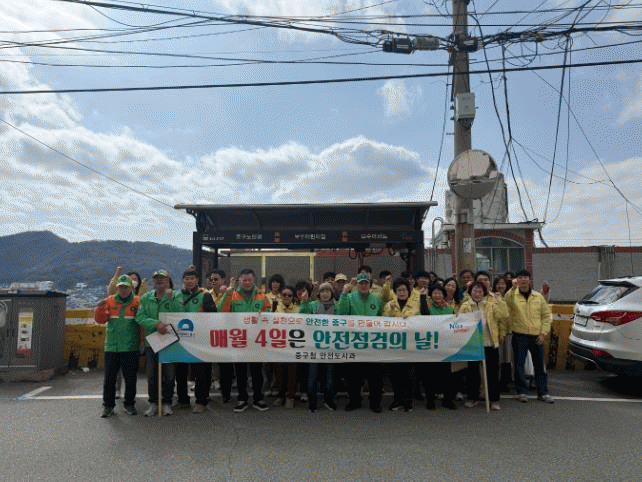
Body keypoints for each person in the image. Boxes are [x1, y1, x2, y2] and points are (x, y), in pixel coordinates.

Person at [95, 275, 166, 418]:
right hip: (112, 346)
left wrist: (142, 342)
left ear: (131, 288)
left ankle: (129, 404)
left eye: (126, 287)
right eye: (121, 287)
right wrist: (100, 308)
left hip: (130, 346)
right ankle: (108, 406)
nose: (123, 290)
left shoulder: (138, 301)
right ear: (117, 288)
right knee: (109, 379)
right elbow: (101, 320)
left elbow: (141, 324)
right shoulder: (109, 301)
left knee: (131, 378)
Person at [218, 268, 272, 412]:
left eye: (250, 280)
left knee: (257, 372)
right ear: (239, 280)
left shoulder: (262, 296)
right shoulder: (232, 295)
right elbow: (222, 312)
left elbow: (268, 314)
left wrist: (264, 316)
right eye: (244, 280)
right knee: (240, 372)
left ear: (254, 280)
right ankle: (242, 399)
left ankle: (258, 398)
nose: (247, 282)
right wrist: (227, 294)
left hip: (256, 340)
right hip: (239, 339)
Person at [336, 273, 384, 413]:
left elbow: (381, 317)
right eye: (361, 283)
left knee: (375, 376)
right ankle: (354, 401)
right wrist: (344, 294)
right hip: (354, 342)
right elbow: (341, 314)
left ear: (370, 285)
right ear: (357, 285)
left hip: (372, 342)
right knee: (353, 376)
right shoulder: (350, 297)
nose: (363, 286)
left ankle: (375, 402)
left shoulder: (376, 298)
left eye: (366, 283)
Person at [504, 269, 554, 404]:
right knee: (519, 365)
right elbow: (506, 303)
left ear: (530, 280)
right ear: (516, 280)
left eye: (525, 277)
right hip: (519, 335)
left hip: (536, 336)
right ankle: (522, 392)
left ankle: (543, 392)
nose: (523, 280)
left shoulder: (538, 297)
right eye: (520, 277)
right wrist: (512, 288)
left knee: (539, 366)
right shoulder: (512, 295)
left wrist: (543, 333)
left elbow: (545, 316)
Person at [459, 281, 508, 411]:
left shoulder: (491, 304)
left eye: (480, 291)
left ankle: (494, 399)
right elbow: (460, 322)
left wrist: (499, 300)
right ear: (470, 292)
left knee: (492, 373)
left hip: (489, 343)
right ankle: (472, 397)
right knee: (472, 374)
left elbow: (503, 316)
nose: (477, 294)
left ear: (484, 293)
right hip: (473, 344)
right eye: (475, 291)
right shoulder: (465, 306)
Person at [173, 269, 217, 413]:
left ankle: (201, 401)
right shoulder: (176, 295)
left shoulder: (205, 295)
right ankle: (182, 399)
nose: (190, 281)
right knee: (180, 371)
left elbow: (213, 315)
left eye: (192, 278)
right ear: (183, 280)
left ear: (197, 280)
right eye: (187, 278)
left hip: (200, 339)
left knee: (201, 371)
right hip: (181, 338)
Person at [136, 270, 176, 416]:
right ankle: (153, 403)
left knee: (170, 375)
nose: (160, 281)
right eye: (157, 279)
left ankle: (167, 403)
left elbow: (180, 313)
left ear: (168, 281)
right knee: (152, 375)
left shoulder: (175, 295)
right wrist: (155, 324)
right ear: (153, 281)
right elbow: (140, 317)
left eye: (163, 278)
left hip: (169, 341)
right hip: (151, 342)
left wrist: (171, 300)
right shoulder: (145, 298)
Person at [299, 282, 339, 412]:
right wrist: (304, 302)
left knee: (330, 376)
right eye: (322, 291)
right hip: (314, 346)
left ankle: (329, 400)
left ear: (332, 294)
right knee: (313, 375)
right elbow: (302, 314)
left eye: (328, 291)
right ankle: (312, 402)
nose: (325, 294)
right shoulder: (313, 305)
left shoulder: (337, 306)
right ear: (319, 293)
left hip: (331, 345)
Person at [419, 285, 458, 410]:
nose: (437, 295)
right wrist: (422, 297)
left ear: (444, 295)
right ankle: (430, 400)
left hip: (446, 347)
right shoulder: (429, 308)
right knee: (430, 375)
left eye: (440, 293)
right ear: (431, 295)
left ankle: (448, 400)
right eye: (435, 293)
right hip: (431, 346)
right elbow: (424, 316)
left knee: (447, 375)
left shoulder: (450, 309)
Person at [383, 277, 419, 412]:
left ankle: (408, 400)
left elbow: (420, 320)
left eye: (404, 290)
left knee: (409, 374)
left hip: (410, 344)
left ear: (408, 291)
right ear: (395, 292)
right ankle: (397, 399)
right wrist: (392, 312)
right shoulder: (389, 305)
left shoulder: (415, 305)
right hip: (394, 344)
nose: (402, 292)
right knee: (395, 374)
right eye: (399, 290)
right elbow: (384, 321)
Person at [272, 286, 300, 408]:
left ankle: (290, 396)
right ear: (281, 296)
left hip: (293, 345)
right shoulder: (275, 308)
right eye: (284, 295)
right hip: (279, 344)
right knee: (279, 372)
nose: (287, 297)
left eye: (289, 295)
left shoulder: (298, 309)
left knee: (292, 372)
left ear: (293, 297)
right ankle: (281, 395)